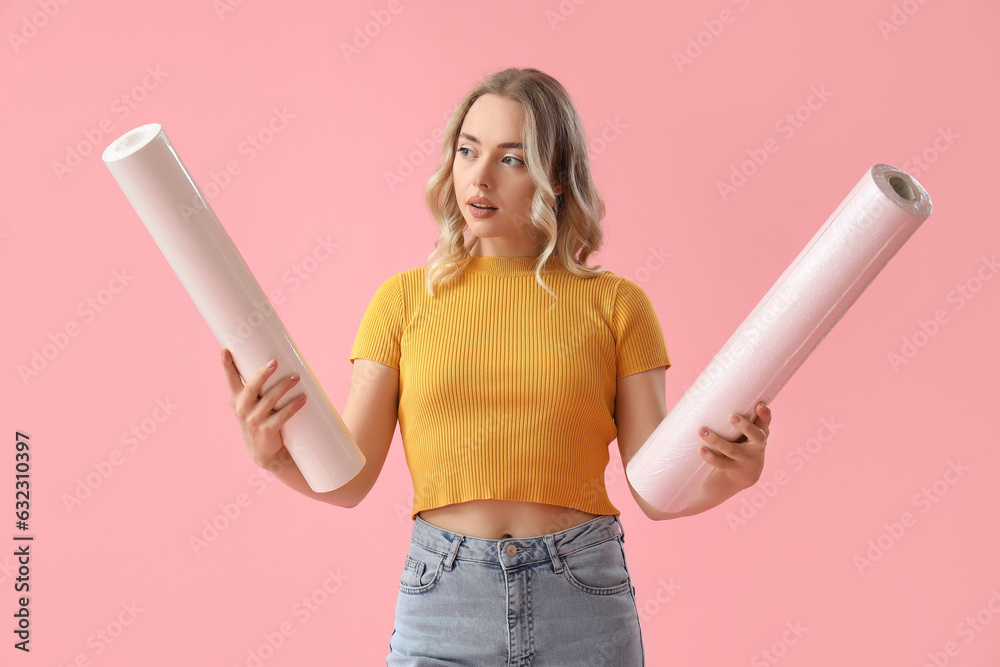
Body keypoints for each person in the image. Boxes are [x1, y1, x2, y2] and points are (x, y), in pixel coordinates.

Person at [220, 67, 772, 666]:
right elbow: (350, 480)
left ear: (557, 177)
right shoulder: (402, 301)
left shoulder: (618, 305)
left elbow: (655, 488)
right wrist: (274, 458)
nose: (477, 178)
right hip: (442, 602)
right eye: (467, 151)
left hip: (583, 596)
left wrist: (733, 475)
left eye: (512, 159)